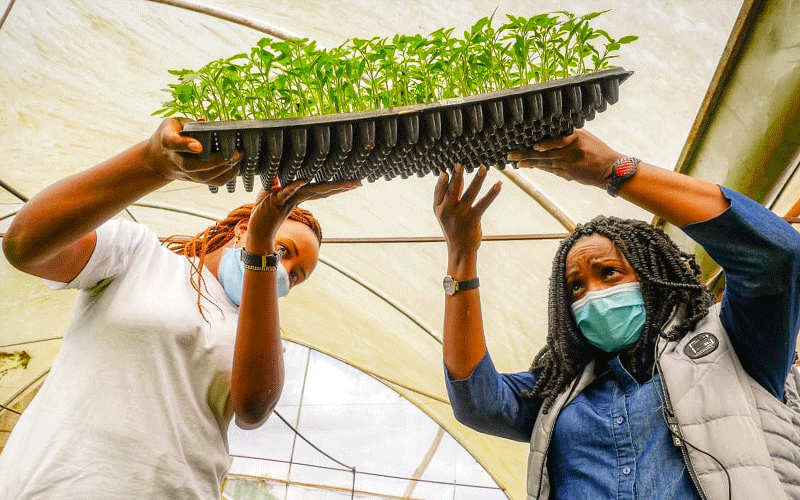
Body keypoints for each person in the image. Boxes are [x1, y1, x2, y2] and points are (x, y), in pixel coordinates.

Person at [0, 118, 357, 499]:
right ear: (240, 228)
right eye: (284, 252)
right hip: (58, 487)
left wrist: (262, 247)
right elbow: (25, 246)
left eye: (296, 275)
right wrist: (154, 163)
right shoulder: (138, 255)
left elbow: (253, 408)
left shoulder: (258, 331)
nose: (283, 271)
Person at [433, 129, 800, 500]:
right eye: (576, 287)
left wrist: (614, 170)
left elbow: (775, 255)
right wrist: (461, 255)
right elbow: (477, 400)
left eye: (609, 273)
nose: (592, 295)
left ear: (655, 280)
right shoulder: (560, 390)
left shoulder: (733, 343)